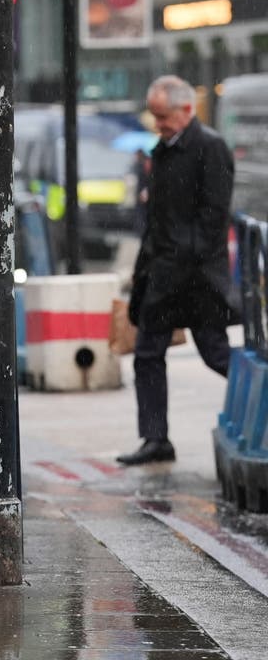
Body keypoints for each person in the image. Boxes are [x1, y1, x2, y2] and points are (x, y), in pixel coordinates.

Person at [121, 75, 237, 466]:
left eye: (164, 116)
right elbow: (158, 219)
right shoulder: (164, 150)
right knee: (147, 352)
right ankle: (156, 439)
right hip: (163, 273)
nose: (159, 124)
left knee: (215, 352)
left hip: (198, 278)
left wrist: (183, 260)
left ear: (187, 110)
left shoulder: (211, 148)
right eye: (155, 117)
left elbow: (214, 216)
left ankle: (260, 398)